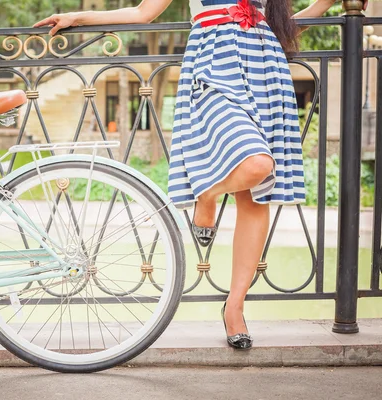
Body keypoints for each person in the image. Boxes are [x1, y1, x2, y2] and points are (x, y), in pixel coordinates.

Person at [34, 0, 339, 350]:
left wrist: (327, 3)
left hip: (265, 70)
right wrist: (78, 17)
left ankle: (234, 307)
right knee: (257, 165)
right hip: (214, 65)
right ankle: (205, 194)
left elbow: (282, 28)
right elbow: (142, 12)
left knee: (256, 194)